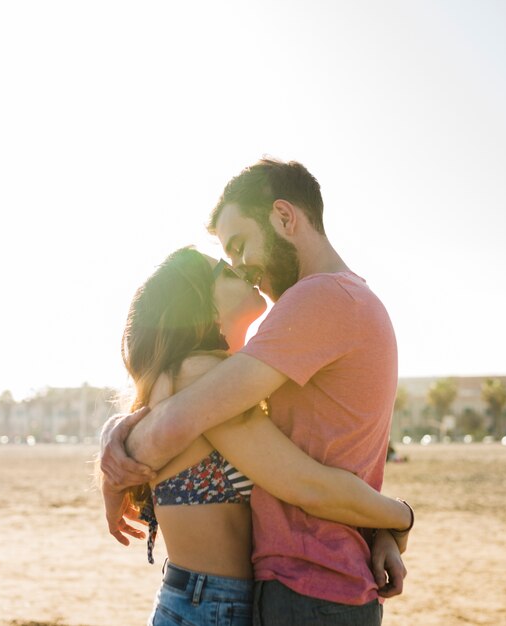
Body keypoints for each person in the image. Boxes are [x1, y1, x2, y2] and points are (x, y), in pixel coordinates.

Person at [101, 159, 408, 625]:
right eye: (228, 263)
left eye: (239, 246)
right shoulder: (339, 303)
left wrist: (119, 449)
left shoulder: (319, 300)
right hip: (299, 585)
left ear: (285, 217)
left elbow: (300, 477)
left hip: (306, 588)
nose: (242, 269)